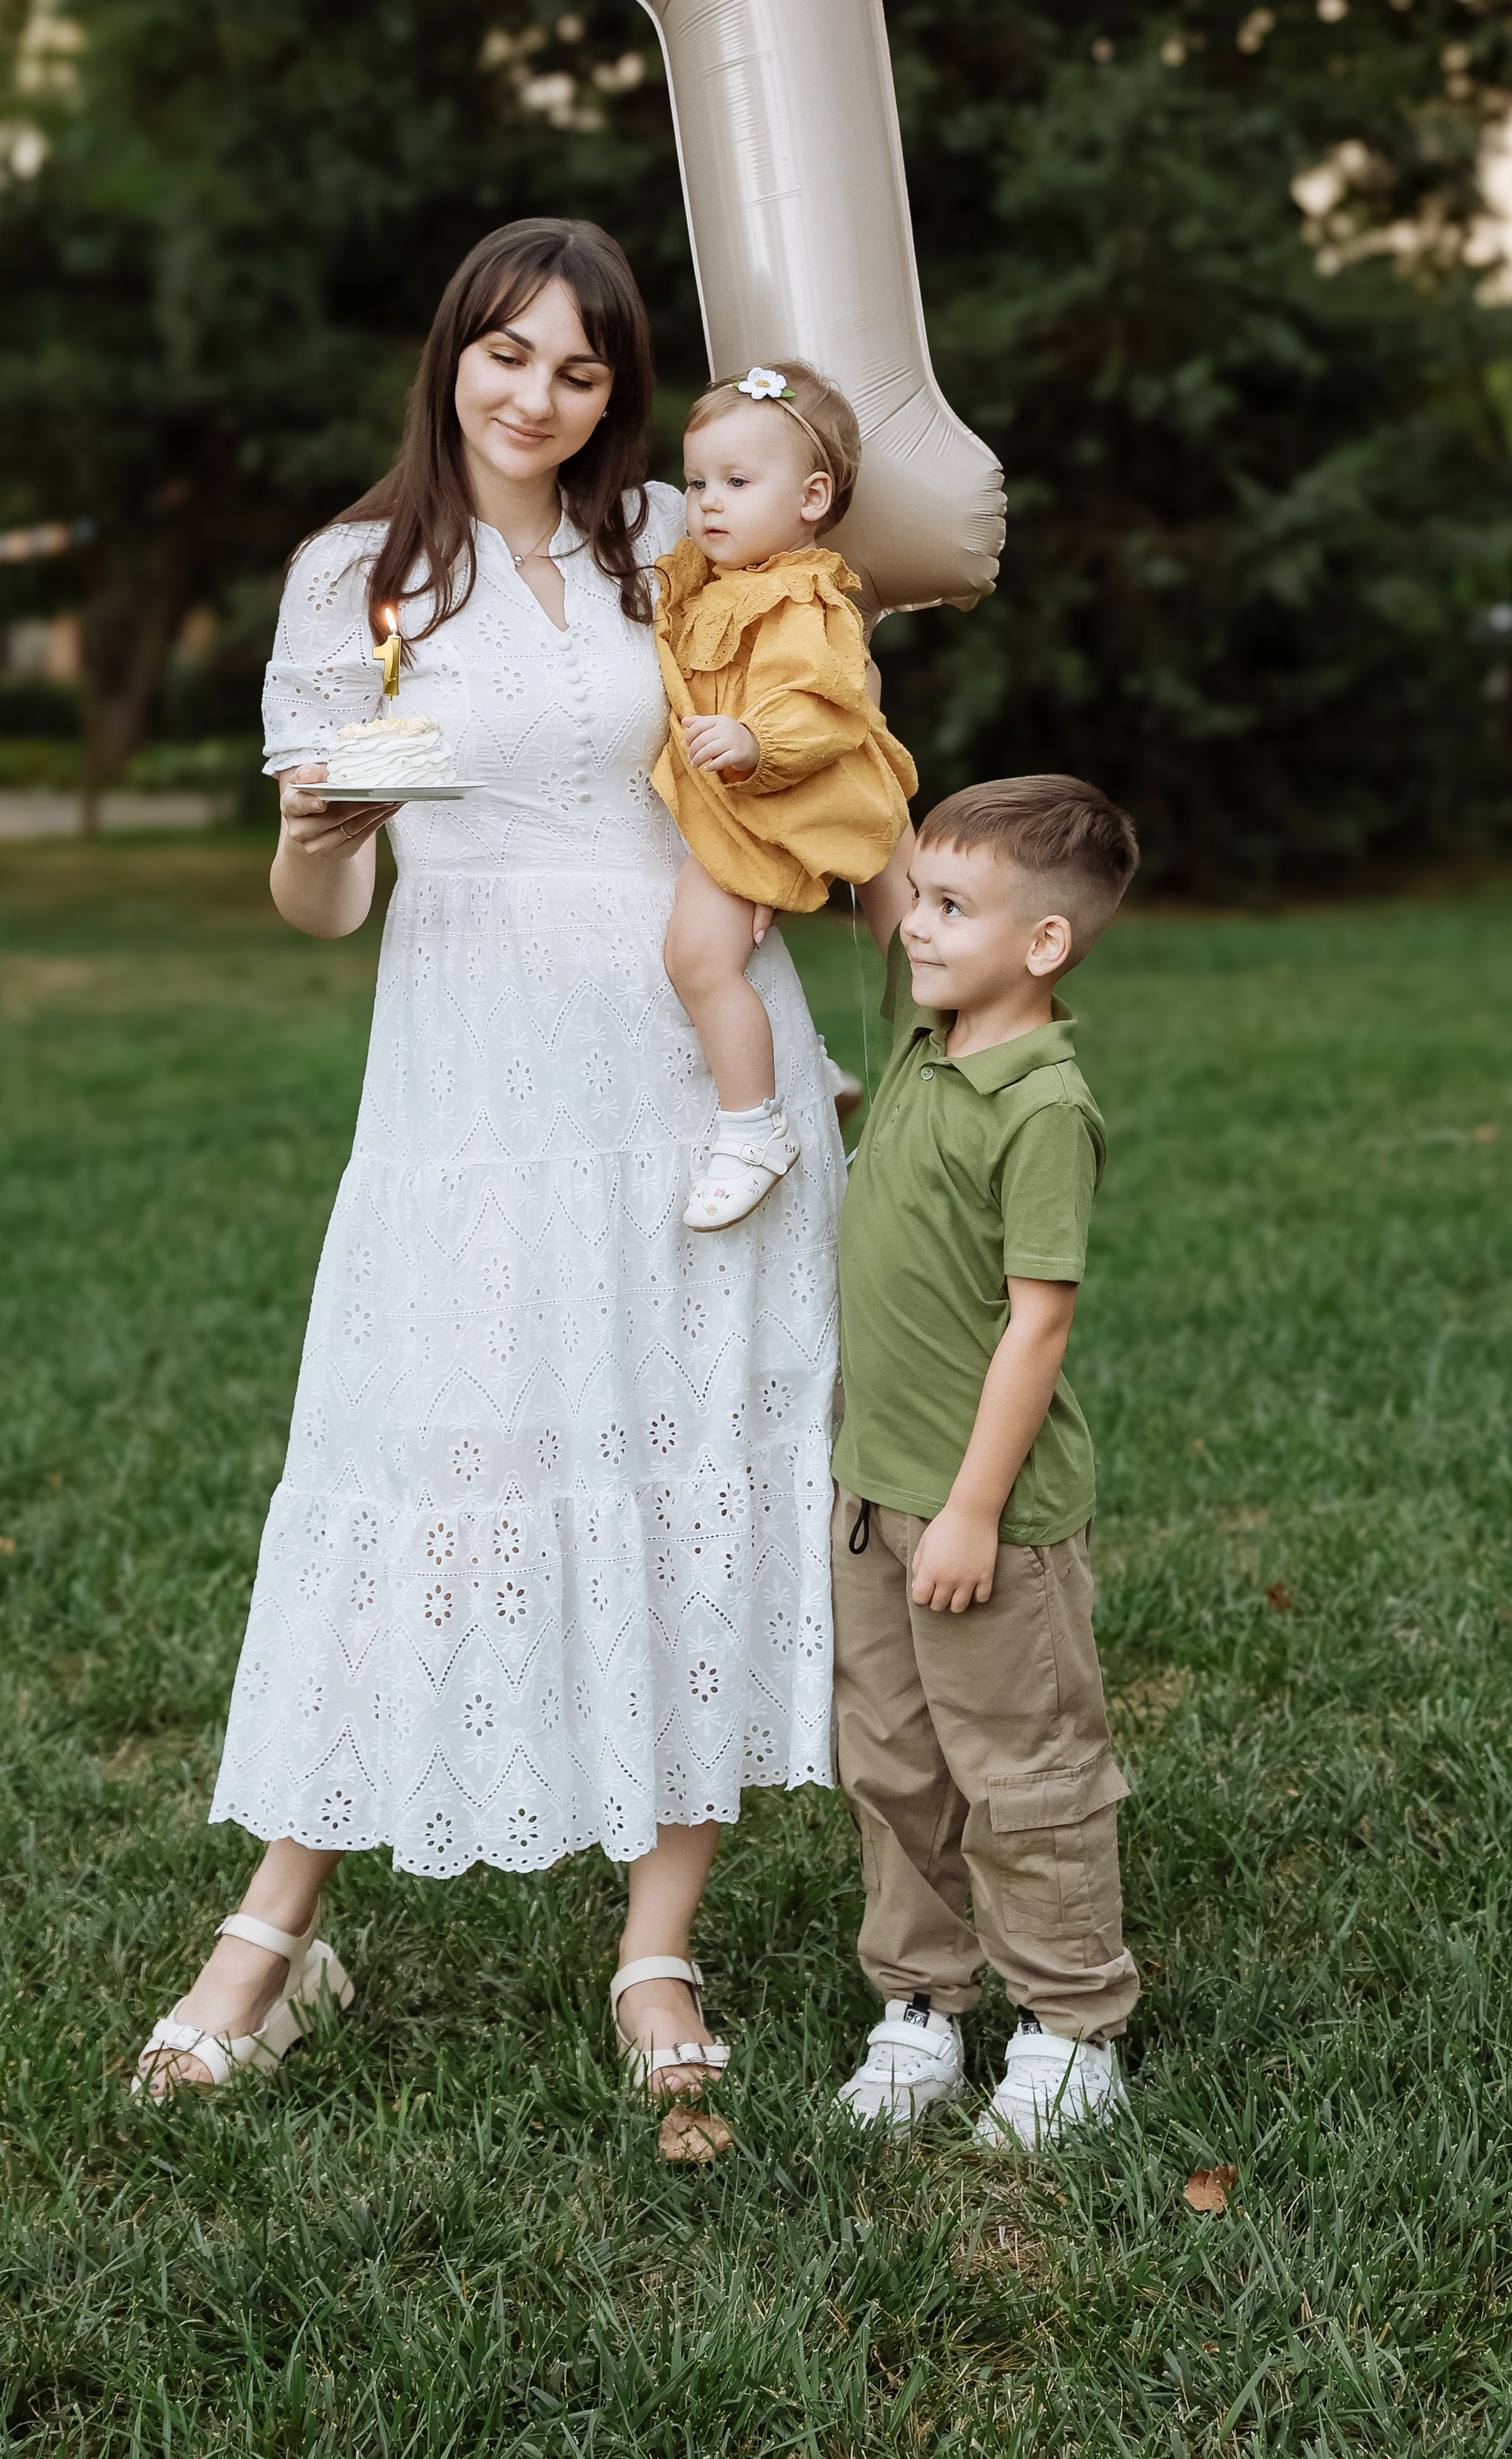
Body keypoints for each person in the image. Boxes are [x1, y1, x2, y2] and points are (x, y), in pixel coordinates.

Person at [130, 221, 844, 2159]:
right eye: (509, 356)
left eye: (586, 372)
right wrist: (307, 828)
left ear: (622, 393)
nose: (540, 397)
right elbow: (322, 902)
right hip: (468, 1073)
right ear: (452, 354)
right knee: (426, 1461)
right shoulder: (349, 576)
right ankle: (270, 1929)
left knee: (696, 1454)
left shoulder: (666, 552)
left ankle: (657, 1949)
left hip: (688, 1062)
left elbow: (811, 651)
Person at [826, 774, 1144, 2148]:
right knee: (893, 1761)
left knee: (1022, 1768)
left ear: (1045, 946)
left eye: (953, 908)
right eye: (923, 899)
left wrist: (970, 1511)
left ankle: (1071, 2022)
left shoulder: (1040, 1103)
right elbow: (875, 849)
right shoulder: (931, 1035)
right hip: (872, 1494)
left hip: (982, 1521)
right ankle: (920, 2000)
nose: (916, 924)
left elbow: (1039, 1324)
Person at [651, 362, 915, 1232]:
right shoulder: (702, 580)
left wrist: (758, 741)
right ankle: (783, 1097)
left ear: (810, 497)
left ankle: (769, 1121)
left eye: (734, 481)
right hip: (743, 809)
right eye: (695, 482)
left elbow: (826, 703)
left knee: (708, 953)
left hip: (805, 794)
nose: (706, 503)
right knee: (698, 956)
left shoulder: (808, 597)